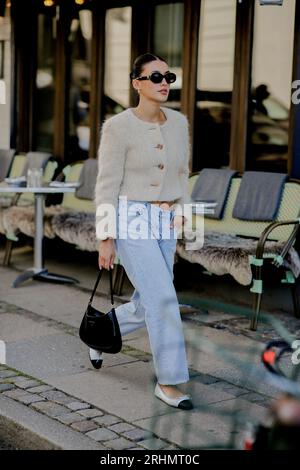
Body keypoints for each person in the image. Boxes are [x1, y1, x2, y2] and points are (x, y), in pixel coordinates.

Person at [92, 53, 193, 410]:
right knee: (164, 300)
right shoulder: (118, 126)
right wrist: (106, 236)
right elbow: (107, 183)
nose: (164, 82)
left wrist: (182, 215)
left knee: (148, 299)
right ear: (137, 83)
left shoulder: (179, 123)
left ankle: (102, 332)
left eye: (168, 76)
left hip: (165, 222)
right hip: (131, 218)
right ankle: (169, 383)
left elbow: (182, 174)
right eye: (154, 77)